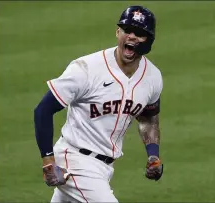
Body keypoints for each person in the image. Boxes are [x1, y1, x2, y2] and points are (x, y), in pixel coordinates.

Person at [34, 5, 163, 203]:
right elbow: (43, 110)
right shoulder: (86, 69)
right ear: (117, 32)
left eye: (139, 33)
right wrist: (48, 160)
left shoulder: (153, 77)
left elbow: (148, 118)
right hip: (74, 161)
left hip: (104, 168)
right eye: (127, 30)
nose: (132, 37)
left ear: (149, 40)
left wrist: (153, 155)